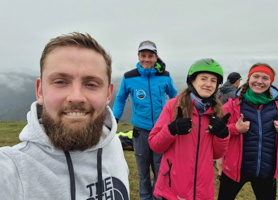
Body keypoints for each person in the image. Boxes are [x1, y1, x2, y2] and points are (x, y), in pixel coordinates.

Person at [0, 32, 129, 200]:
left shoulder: (114, 146)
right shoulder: (11, 170)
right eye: (60, 82)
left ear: (108, 94)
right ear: (40, 91)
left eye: (91, 84)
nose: (76, 97)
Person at [148, 58, 230, 200]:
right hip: (172, 189)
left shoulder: (216, 112)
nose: (208, 84)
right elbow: (155, 145)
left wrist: (222, 136)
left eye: (213, 80)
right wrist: (171, 129)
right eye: (203, 79)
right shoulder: (174, 106)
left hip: (202, 192)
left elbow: (216, 154)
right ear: (192, 81)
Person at [218, 63, 278, 200]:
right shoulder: (233, 105)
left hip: (266, 171)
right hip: (234, 170)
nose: (260, 81)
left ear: (271, 81)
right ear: (249, 78)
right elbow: (214, 129)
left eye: (265, 78)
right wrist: (235, 129)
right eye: (255, 76)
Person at [113, 40, 178, 200]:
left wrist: (178, 116)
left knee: (159, 170)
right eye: (143, 55)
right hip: (140, 133)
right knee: (143, 173)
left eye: (150, 55)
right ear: (138, 56)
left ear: (156, 57)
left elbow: (175, 97)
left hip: (161, 132)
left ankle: (158, 197)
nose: (146, 59)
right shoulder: (129, 77)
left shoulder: (165, 76)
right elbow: (121, 99)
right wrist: (114, 119)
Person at [215, 71, 242, 181]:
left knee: (219, 148)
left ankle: (219, 173)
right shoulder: (235, 94)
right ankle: (225, 172)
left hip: (216, 120)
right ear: (236, 82)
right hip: (229, 122)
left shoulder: (218, 90)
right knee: (227, 148)